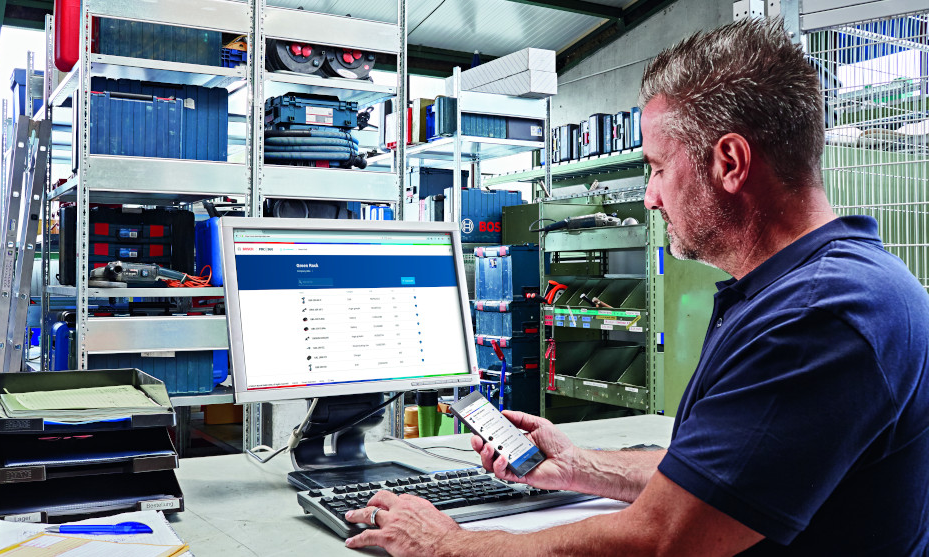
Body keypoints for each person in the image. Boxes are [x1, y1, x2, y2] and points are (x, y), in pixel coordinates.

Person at [343, 18, 929, 556]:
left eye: (656, 167)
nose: (650, 196)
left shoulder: (820, 316)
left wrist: (448, 544)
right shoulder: (817, 288)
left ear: (730, 161)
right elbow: (722, 478)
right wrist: (582, 466)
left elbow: (662, 539)